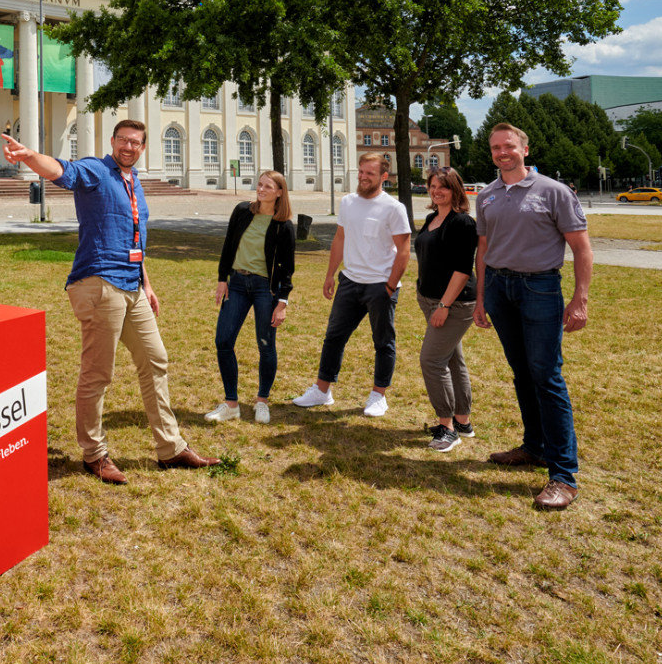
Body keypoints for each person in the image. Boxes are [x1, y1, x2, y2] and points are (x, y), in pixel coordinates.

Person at [0, 120, 217, 484]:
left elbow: (135, 237)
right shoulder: (96, 171)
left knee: (155, 360)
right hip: (101, 282)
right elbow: (61, 171)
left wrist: (147, 284)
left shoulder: (135, 182)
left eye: (135, 142)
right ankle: (94, 454)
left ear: (142, 148)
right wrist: (30, 156)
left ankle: (171, 448)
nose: (128, 147)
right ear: (113, 141)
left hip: (133, 287)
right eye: (123, 140)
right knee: (98, 372)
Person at [474, 122, 592, 510]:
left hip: (540, 288)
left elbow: (581, 247)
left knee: (546, 375)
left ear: (524, 149)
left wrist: (580, 299)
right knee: (522, 372)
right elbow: (483, 249)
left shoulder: (554, 191)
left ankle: (564, 476)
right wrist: (480, 298)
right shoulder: (487, 195)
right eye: (495, 147)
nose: (502, 152)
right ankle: (534, 447)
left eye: (509, 146)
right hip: (499, 289)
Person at [293, 153, 411, 415]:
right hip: (350, 281)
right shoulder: (348, 202)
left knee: (383, 342)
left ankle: (378, 396)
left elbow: (404, 250)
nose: (363, 177)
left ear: (383, 177)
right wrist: (330, 274)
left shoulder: (394, 208)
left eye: (369, 173)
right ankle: (322, 391)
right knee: (334, 338)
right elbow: (340, 239)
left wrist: (390, 286)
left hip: (380, 285)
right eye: (361, 171)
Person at [205, 171, 296, 426]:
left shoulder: (284, 225)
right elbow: (228, 246)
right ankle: (231, 404)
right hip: (236, 283)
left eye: (268, 186)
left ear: (279, 192)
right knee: (223, 340)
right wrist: (222, 279)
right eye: (260, 184)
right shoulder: (242, 211)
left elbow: (287, 268)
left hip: (265, 289)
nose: (261, 189)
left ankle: (262, 401)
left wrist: (282, 302)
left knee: (265, 345)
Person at [413, 167, 478, 451]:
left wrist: (443, 305)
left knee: (431, 360)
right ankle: (462, 421)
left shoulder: (462, 223)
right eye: (432, 186)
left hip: (454, 303)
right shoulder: (432, 218)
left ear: (456, 190)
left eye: (443, 186)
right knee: (452, 359)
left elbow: (462, 270)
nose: (436, 191)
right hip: (430, 300)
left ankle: (447, 428)